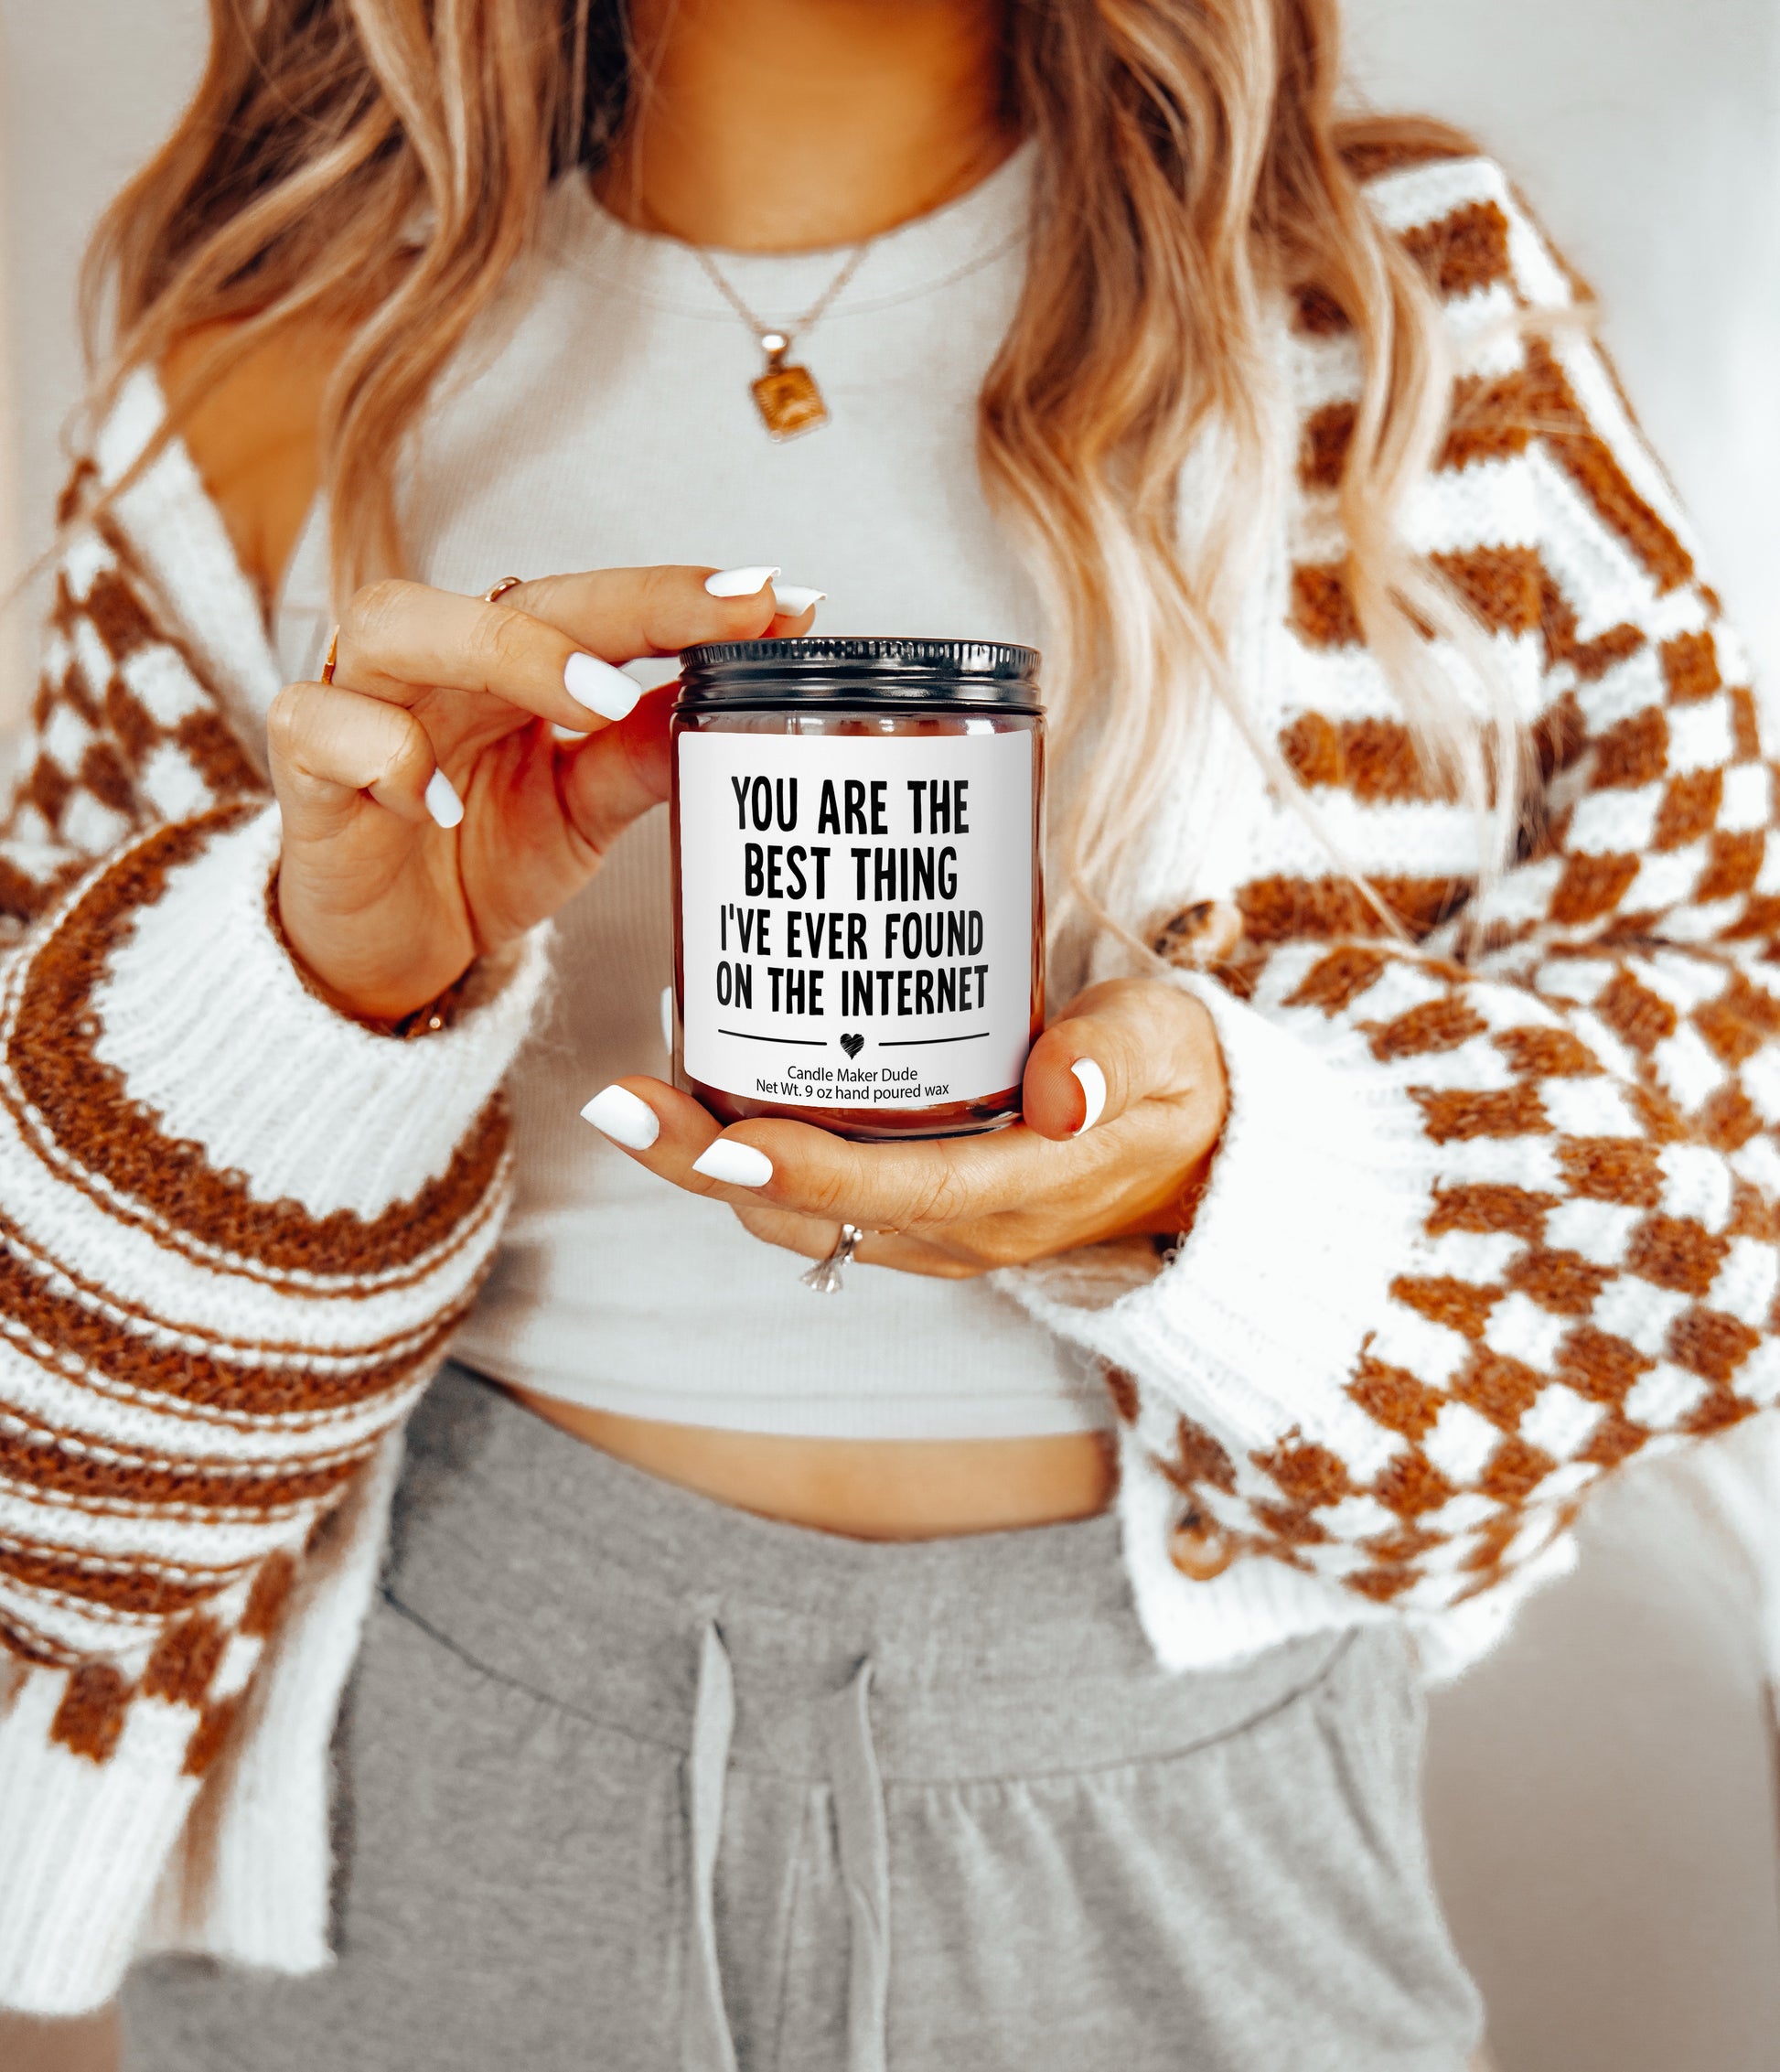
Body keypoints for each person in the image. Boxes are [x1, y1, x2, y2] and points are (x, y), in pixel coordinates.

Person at [0, 0, 1771, 2064]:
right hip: (432, 1779)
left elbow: (1731, 1111)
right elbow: (52, 1486)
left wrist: (1233, 1180)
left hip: (1182, 1797)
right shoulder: (258, 381)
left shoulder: (1401, 317)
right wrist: (309, 993)